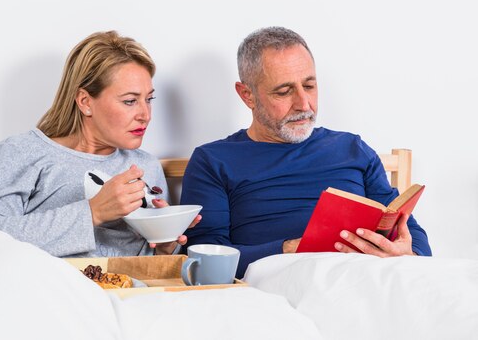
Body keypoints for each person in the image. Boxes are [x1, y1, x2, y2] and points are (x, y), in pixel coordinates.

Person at [180, 26, 431, 277]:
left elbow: (413, 235)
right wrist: (291, 249)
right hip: (285, 283)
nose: (304, 104)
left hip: (370, 277)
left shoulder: (352, 149)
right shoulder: (213, 161)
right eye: (284, 91)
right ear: (248, 96)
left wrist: (408, 254)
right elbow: (205, 257)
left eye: (309, 86)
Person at [0, 30, 199, 258]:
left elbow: (152, 264)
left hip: (131, 292)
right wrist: (93, 212)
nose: (145, 115)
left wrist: (164, 247)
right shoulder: (22, 152)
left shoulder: (146, 165)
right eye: (129, 101)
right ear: (85, 102)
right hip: (51, 291)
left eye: (149, 99)